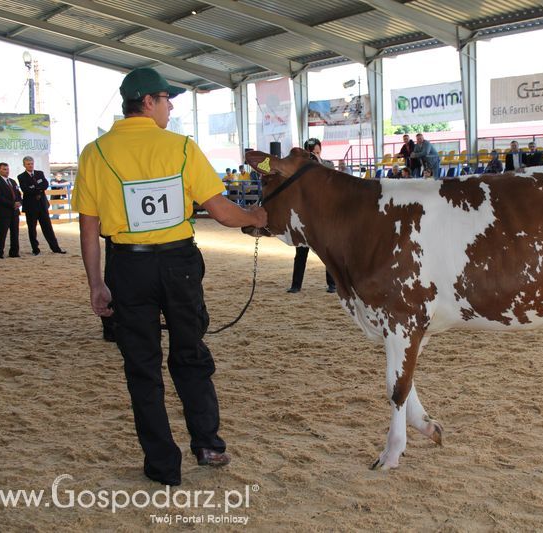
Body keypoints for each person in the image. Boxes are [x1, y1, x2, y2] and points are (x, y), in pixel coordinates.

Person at [72, 67, 267, 486]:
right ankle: (209, 445)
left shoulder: (95, 152)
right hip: (178, 265)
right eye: (165, 98)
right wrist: (255, 217)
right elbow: (221, 211)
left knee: (141, 366)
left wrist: (96, 283)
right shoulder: (180, 147)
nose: (170, 105)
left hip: (127, 266)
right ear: (147, 102)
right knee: (190, 352)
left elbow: (89, 228)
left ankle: (162, 466)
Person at [288, 138, 336, 294]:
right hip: (305, 217)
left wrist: (318, 162)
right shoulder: (298, 169)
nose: (315, 155)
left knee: (328, 252)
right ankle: (296, 285)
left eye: (317, 152)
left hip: (323, 216)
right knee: (301, 252)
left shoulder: (328, 165)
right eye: (312, 153)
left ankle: (332, 284)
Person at [17, 156, 66, 255]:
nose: (30, 165)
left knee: (48, 227)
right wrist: (38, 189)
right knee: (32, 229)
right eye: (28, 164)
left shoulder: (40, 173)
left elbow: (45, 184)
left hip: (42, 205)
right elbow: (25, 189)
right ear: (24, 165)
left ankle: (55, 248)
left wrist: (35, 188)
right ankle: (35, 249)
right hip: (31, 206)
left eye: (31, 163)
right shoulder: (21, 177)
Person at [0, 162, 21, 258]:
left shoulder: (13, 181)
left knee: (15, 233)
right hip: (5, 211)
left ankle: (14, 252)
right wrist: (12, 204)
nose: (6, 171)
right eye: (4, 169)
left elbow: (18, 194)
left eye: (7, 169)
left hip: (15, 211)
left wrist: (19, 202)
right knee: (2, 233)